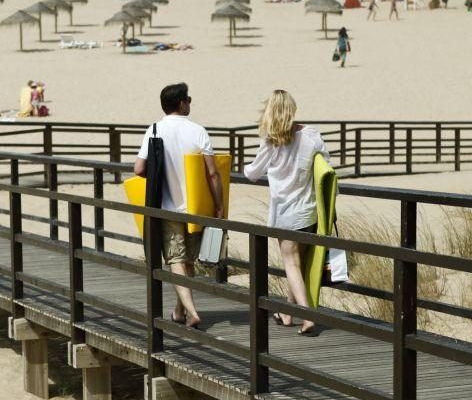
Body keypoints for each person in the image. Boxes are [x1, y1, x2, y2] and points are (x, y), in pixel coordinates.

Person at [133, 83, 224, 329]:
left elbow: (139, 169)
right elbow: (213, 174)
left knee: (176, 259)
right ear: (182, 103)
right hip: (196, 208)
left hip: (167, 206)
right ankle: (183, 311)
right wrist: (219, 206)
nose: (190, 103)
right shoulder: (198, 131)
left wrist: (160, 176)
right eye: (189, 99)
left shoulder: (154, 130)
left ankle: (185, 311)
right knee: (189, 261)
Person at [243, 90, 330, 335]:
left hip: (285, 212)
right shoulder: (311, 135)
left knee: (291, 264)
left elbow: (252, 173)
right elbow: (326, 164)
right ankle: (287, 314)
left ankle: (308, 316)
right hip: (309, 210)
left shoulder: (271, 141)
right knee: (298, 264)